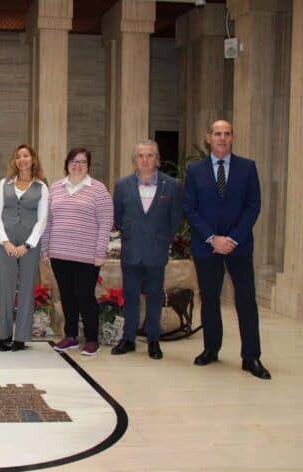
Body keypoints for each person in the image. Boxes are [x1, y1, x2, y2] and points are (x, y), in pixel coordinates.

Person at [182, 119, 271, 380]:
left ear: (232, 138)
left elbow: (253, 206)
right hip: (206, 246)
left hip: (238, 246)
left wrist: (232, 238)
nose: (222, 138)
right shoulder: (195, 170)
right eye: (218, 133)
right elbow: (190, 208)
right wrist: (212, 238)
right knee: (209, 299)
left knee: (246, 300)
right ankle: (211, 349)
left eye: (227, 133)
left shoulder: (247, 168)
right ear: (208, 138)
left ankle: (251, 356)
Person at [111, 140, 183, 360]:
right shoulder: (122, 185)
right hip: (131, 251)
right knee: (130, 297)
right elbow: (119, 217)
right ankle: (128, 339)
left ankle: (153, 340)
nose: (145, 160)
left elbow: (175, 219)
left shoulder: (171, 185)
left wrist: (162, 240)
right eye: (141, 155)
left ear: (157, 159)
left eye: (150, 155)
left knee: (154, 297)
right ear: (135, 159)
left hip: (156, 251)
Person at [42, 147, 113, 357]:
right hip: (59, 254)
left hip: (87, 256)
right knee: (66, 296)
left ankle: (92, 339)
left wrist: (100, 251)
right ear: (67, 164)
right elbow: (48, 221)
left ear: (88, 165)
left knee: (85, 297)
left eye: (82, 161)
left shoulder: (98, 189)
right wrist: (45, 248)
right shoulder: (56, 188)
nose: (77, 165)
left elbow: (106, 222)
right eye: (73, 161)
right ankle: (71, 335)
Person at [0, 145, 49, 351]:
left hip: (29, 244)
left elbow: (42, 220)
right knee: (4, 288)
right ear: (14, 161)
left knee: (26, 288)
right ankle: (4, 335)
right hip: (6, 242)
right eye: (18, 156)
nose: (22, 159)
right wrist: (5, 241)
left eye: (26, 156)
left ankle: (21, 337)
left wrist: (27, 245)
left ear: (33, 159)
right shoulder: (4, 183)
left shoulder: (41, 187)